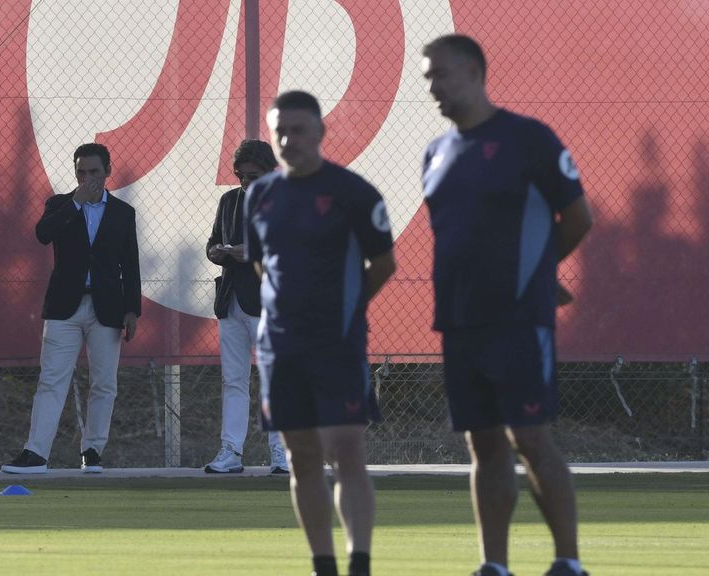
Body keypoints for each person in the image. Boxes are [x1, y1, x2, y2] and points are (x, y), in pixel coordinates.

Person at [420, 34, 594, 576]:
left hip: (519, 319)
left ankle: (567, 562)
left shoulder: (529, 139)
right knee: (483, 445)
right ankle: (493, 566)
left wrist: (540, 272)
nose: (432, 87)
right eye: (428, 78)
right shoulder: (436, 152)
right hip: (460, 320)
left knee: (531, 437)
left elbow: (579, 218)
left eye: (440, 74)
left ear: (473, 71)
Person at [245, 91, 397, 576]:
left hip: (338, 345)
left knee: (347, 450)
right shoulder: (260, 195)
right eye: (280, 131)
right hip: (280, 348)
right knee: (301, 457)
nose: (289, 139)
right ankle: (323, 564)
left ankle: (360, 563)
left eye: (299, 129)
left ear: (320, 132)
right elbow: (258, 264)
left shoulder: (355, 193)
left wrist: (344, 309)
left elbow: (384, 263)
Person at [1, 143, 141, 475]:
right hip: (65, 306)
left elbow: (130, 263)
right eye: (81, 172)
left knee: (104, 383)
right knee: (52, 379)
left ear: (108, 171)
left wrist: (132, 309)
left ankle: (93, 450)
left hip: (106, 307)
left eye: (94, 172)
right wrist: (75, 203)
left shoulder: (123, 213)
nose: (88, 178)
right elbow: (42, 234)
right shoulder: (60, 205)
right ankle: (36, 453)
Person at [204, 139, 288, 474]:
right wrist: (216, 252)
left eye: (253, 176)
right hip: (232, 299)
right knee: (234, 379)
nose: (245, 182)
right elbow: (212, 241)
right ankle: (231, 451)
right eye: (241, 176)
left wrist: (250, 252)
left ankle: (280, 451)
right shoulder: (229, 201)